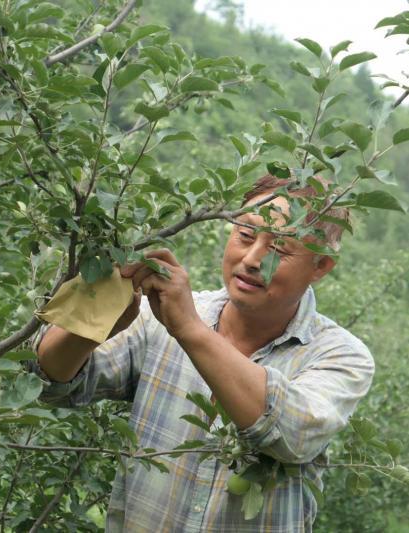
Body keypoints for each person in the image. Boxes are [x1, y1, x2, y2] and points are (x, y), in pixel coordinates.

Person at [30, 175, 375, 532]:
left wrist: (190, 330)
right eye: (244, 235)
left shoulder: (341, 356)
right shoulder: (156, 320)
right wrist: (97, 319)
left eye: (280, 249)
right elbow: (52, 383)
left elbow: (292, 434)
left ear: (320, 267)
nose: (253, 259)